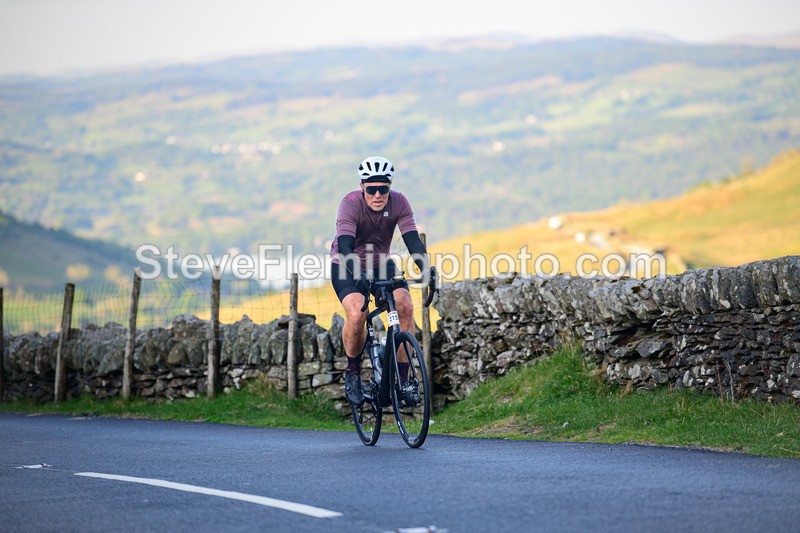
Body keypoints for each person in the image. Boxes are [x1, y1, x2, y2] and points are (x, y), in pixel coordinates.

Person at [330, 156, 433, 406]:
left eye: (383, 189)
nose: (378, 195)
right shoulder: (350, 203)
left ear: (390, 187)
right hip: (347, 264)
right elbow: (344, 246)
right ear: (362, 186)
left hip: (380, 264)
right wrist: (358, 274)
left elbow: (412, 240)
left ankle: (405, 380)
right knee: (357, 314)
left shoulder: (399, 202)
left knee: (405, 306)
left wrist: (427, 269)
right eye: (372, 189)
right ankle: (353, 372)